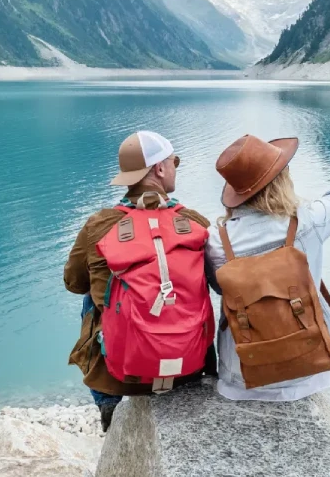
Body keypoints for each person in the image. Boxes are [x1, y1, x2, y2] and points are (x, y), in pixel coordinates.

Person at [205, 124, 330, 401]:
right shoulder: (307, 222)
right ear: (281, 181)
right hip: (309, 366)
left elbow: (222, 291)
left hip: (242, 374)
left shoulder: (217, 242)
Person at [64, 131, 216, 431]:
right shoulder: (195, 222)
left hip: (123, 375)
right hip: (190, 366)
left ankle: (109, 409)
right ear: (159, 168)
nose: (175, 167)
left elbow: (73, 282)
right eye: (174, 162)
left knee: (94, 299)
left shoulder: (99, 225)